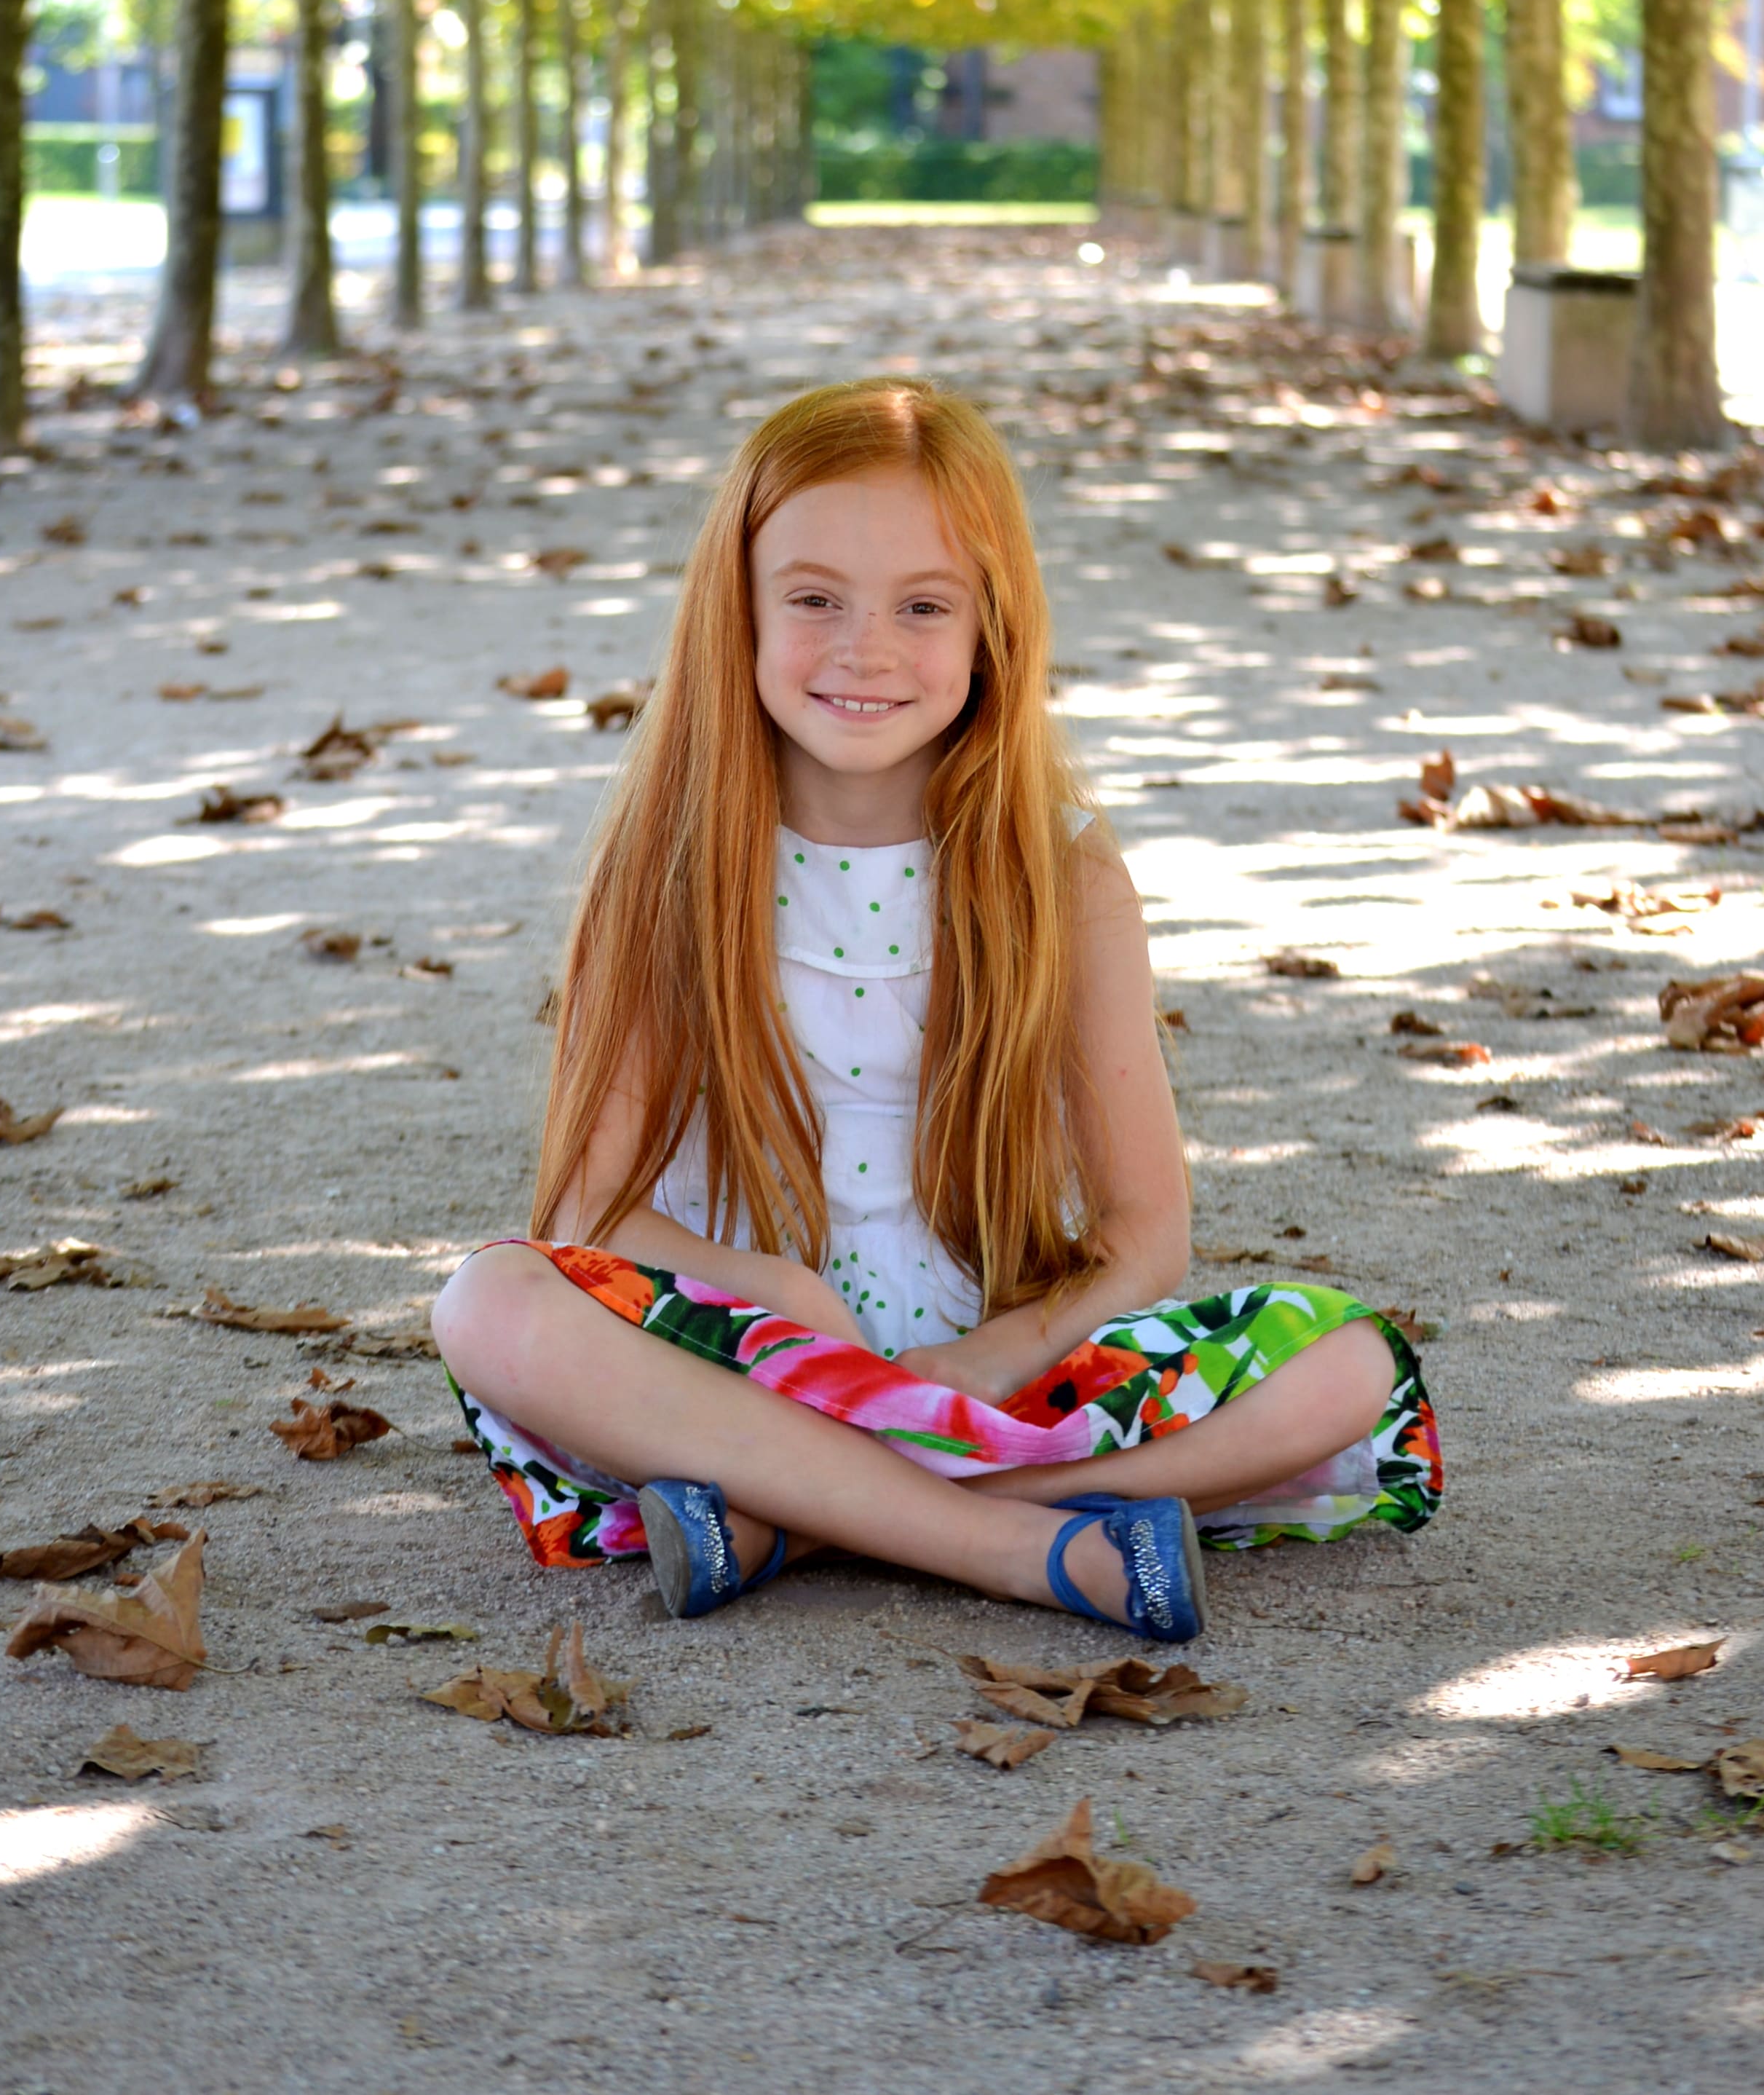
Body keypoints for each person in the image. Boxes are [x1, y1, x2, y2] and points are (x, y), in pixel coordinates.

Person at [434, 380, 1440, 1641]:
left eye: (922, 606)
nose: (867, 649)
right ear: (732, 612)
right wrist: (776, 1295)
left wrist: (987, 1360)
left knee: (1341, 1359)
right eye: (813, 599)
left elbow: (1145, 1234)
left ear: (992, 630)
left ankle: (790, 1516)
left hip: (996, 1376)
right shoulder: (670, 862)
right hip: (730, 1368)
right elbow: (589, 1208)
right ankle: (1020, 1544)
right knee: (489, 1304)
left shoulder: (1062, 874)